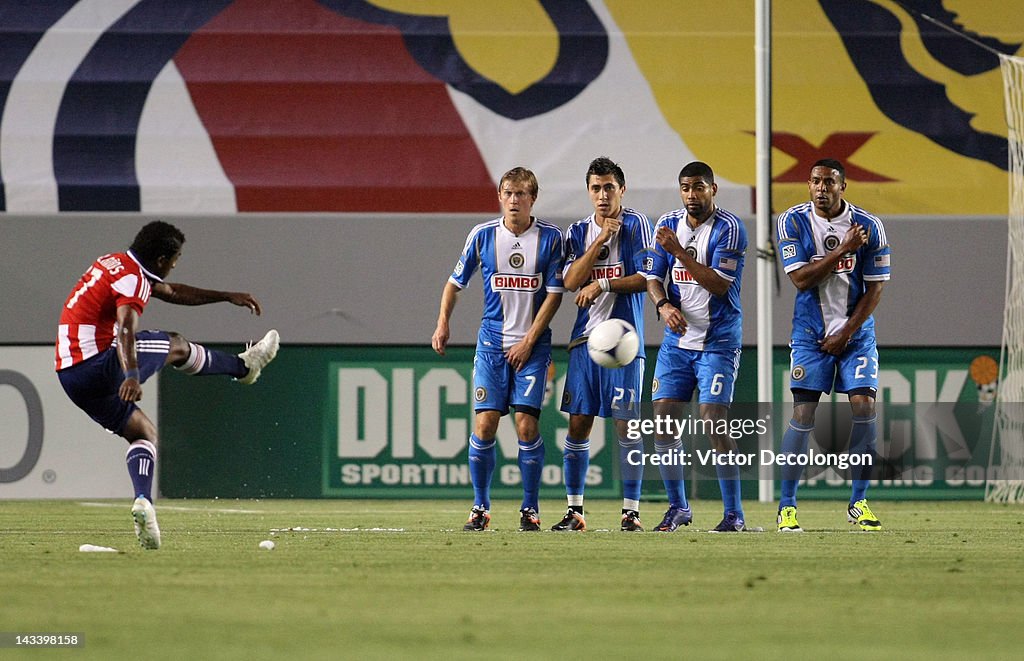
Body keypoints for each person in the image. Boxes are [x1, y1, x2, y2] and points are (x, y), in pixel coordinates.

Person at [55, 221, 279, 550]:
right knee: (174, 344)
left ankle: (144, 503)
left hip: (70, 375)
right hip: (97, 364)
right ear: (162, 259)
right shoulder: (132, 279)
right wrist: (131, 373)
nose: (176, 264)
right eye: (176, 258)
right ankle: (244, 367)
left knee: (143, 432)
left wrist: (226, 296)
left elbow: (173, 292)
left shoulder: (117, 263)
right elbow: (126, 328)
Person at [431, 167, 564, 531]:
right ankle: (480, 508)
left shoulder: (551, 238)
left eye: (522, 193)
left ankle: (530, 509)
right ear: (500, 197)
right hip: (491, 344)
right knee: (486, 423)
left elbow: (555, 295)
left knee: (525, 426)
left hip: (532, 346)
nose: (514, 200)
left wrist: (529, 340)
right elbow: (454, 283)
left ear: (533, 198)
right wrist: (443, 322)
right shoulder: (482, 235)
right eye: (508, 192)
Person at [775, 158, 890, 532]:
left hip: (856, 334)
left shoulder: (870, 226)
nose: (821, 188)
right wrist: (843, 249)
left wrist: (847, 332)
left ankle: (859, 502)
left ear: (843, 187)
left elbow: (875, 288)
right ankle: (787, 507)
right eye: (814, 181)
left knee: (864, 404)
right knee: (804, 414)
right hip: (810, 335)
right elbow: (801, 280)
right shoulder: (792, 221)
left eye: (828, 182)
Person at [643, 161, 750, 532]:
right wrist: (663, 305)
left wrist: (680, 252)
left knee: (713, 423)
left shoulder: (731, 229)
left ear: (713, 190)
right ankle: (679, 508)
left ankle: (734, 514)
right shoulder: (667, 224)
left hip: (717, 342)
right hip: (677, 342)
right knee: (663, 424)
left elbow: (719, 285)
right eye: (686, 188)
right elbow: (653, 278)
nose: (692, 195)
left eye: (699, 187)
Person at [555, 157, 653, 532]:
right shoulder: (578, 231)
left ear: (621, 190)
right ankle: (575, 511)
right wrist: (600, 240)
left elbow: (646, 276)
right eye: (595, 188)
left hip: (625, 343)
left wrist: (605, 284)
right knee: (578, 424)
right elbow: (570, 281)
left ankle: (631, 512)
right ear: (588, 192)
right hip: (585, 342)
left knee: (627, 426)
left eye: (609, 187)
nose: (602, 194)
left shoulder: (638, 225)